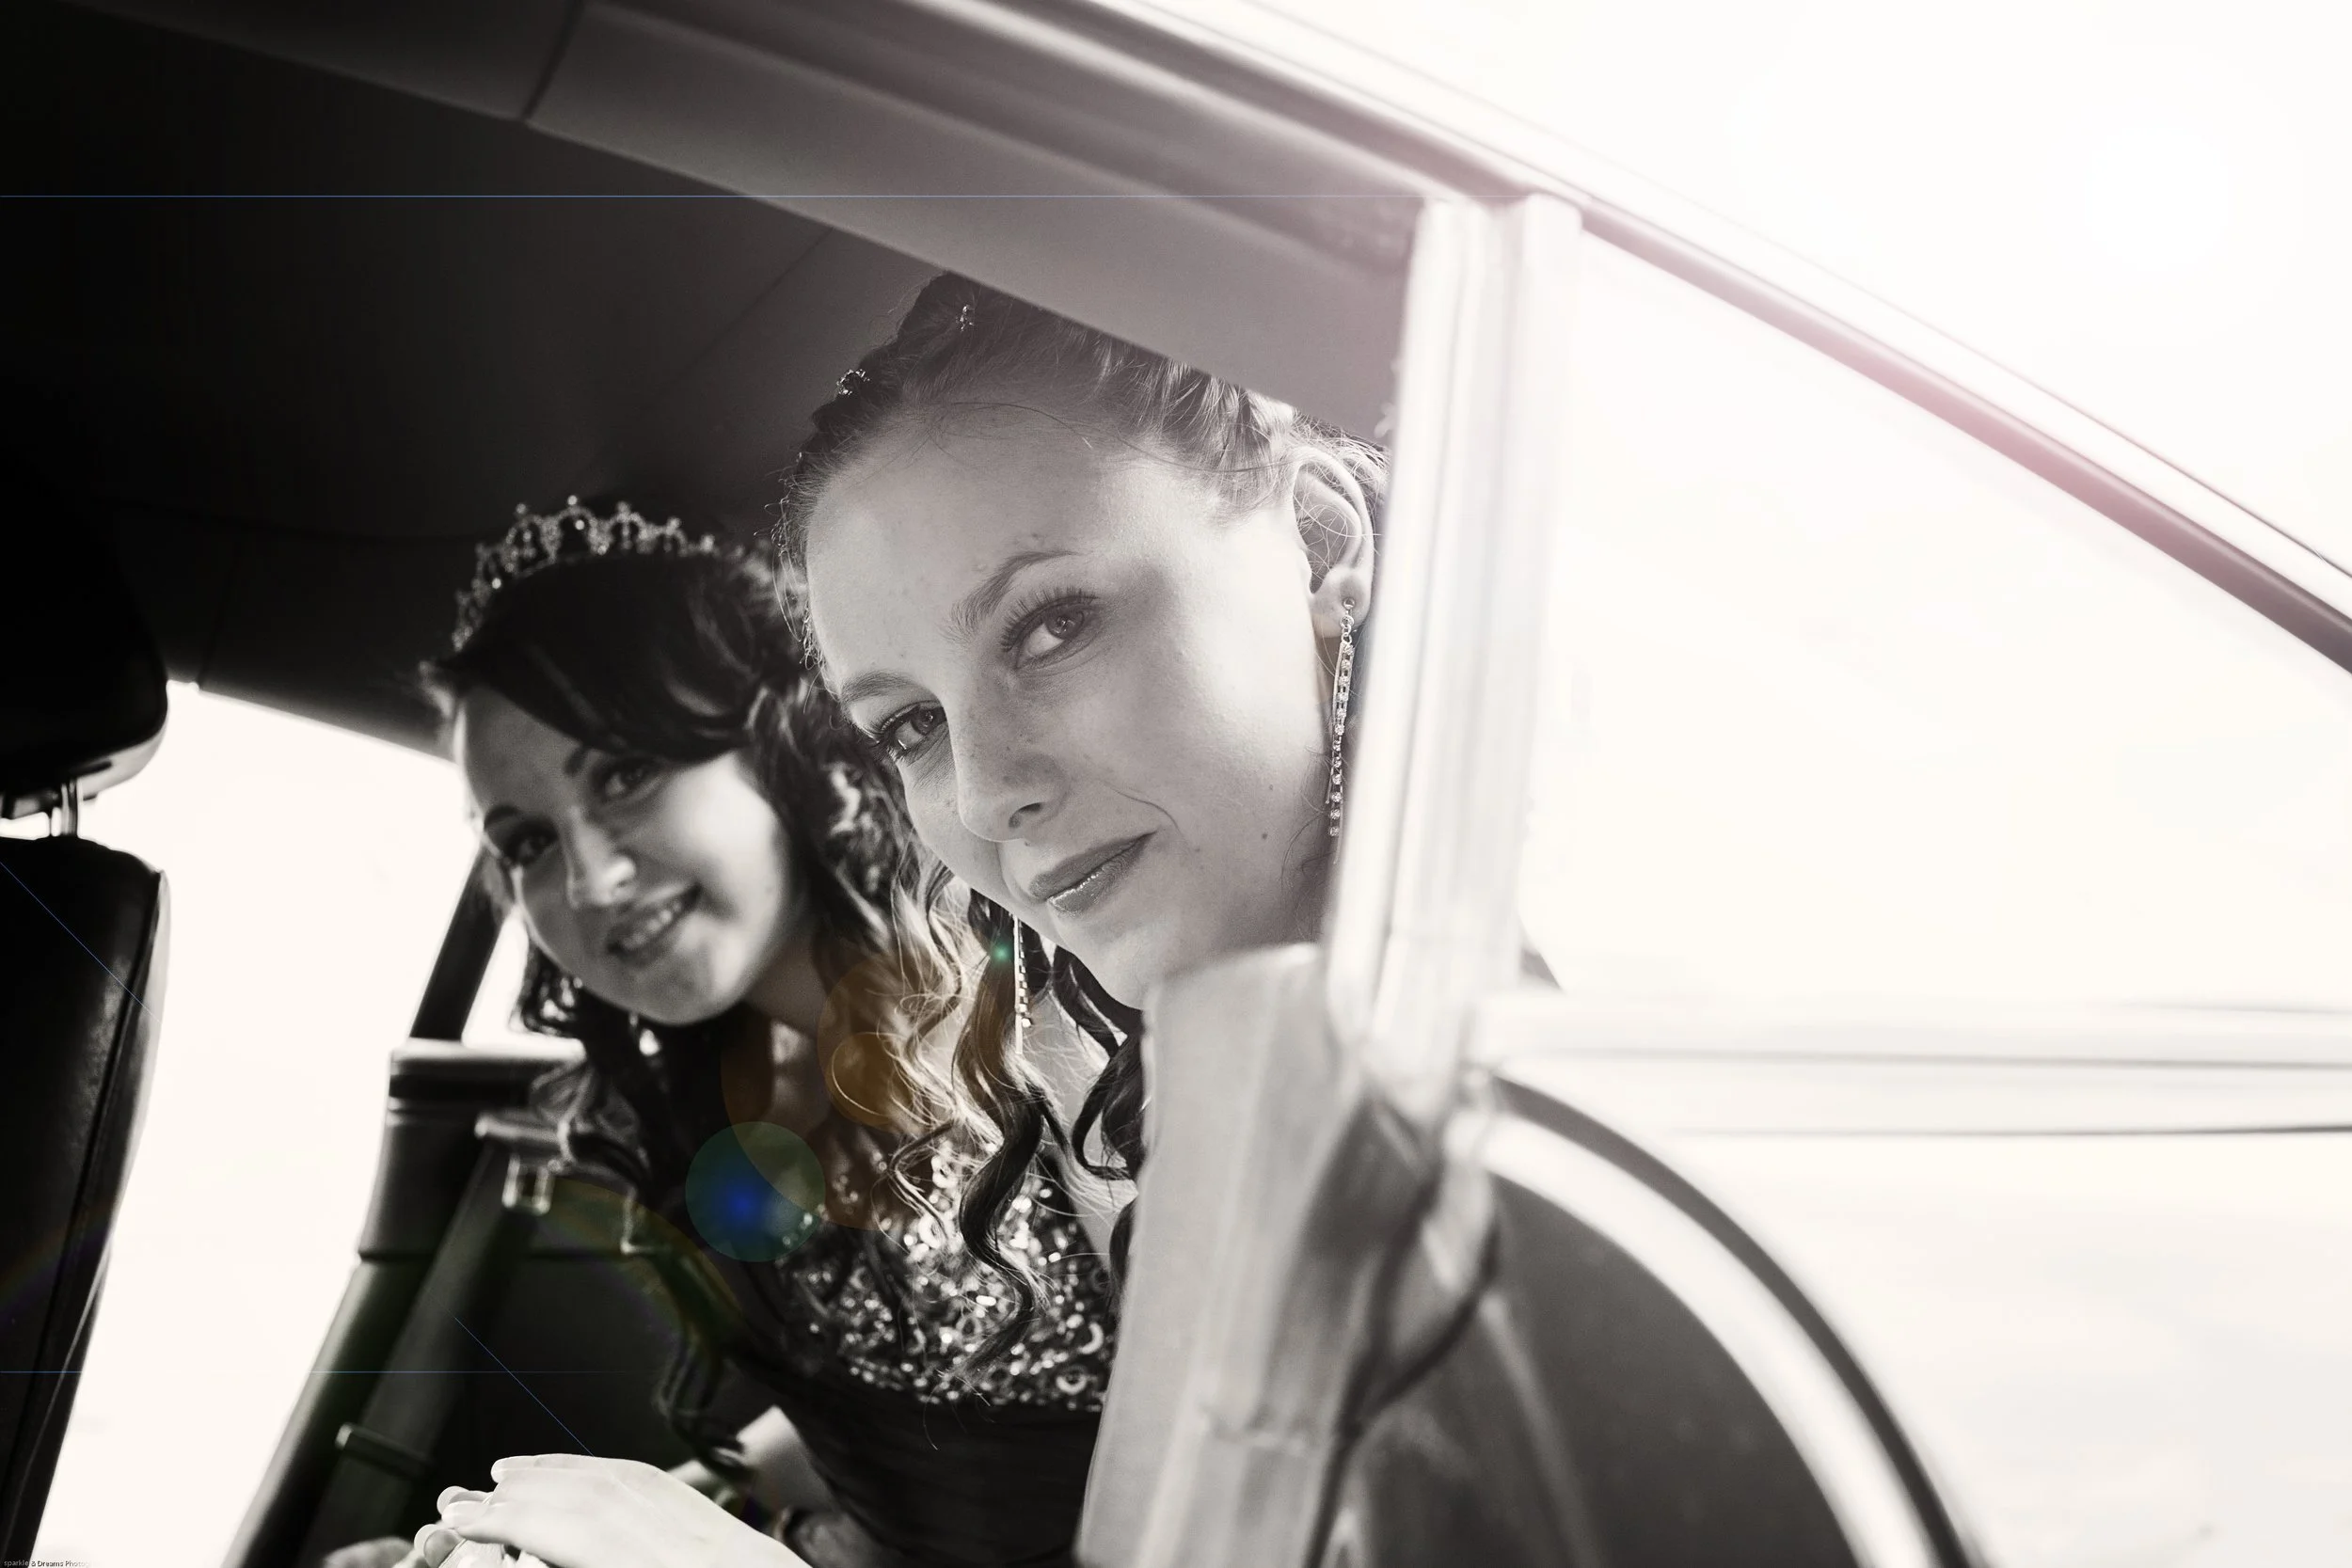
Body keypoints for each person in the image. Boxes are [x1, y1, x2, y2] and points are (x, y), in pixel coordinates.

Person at [392, 501, 1125, 1568]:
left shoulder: (1056, 1035)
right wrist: (546, 1534)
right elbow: (906, 1415)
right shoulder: (704, 1100)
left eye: (624, 774)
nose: (591, 879)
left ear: (776, 749)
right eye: (528, 841)